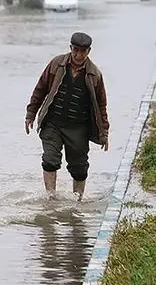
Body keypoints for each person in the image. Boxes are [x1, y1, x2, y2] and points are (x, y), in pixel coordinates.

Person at [24, 32, 110, 201]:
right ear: (71, 48)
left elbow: (101, 106)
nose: (78, 55)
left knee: (79, 168)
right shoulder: (56, 64)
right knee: (50, 160)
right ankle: (51, 198)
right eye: (76, 50)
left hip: (78, 127)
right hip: (53, 123)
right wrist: (31, 114)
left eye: (83, 51)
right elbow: (40, 89)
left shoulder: (94, 75)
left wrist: (104, 133)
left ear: (89, 51)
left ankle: (77, 202)